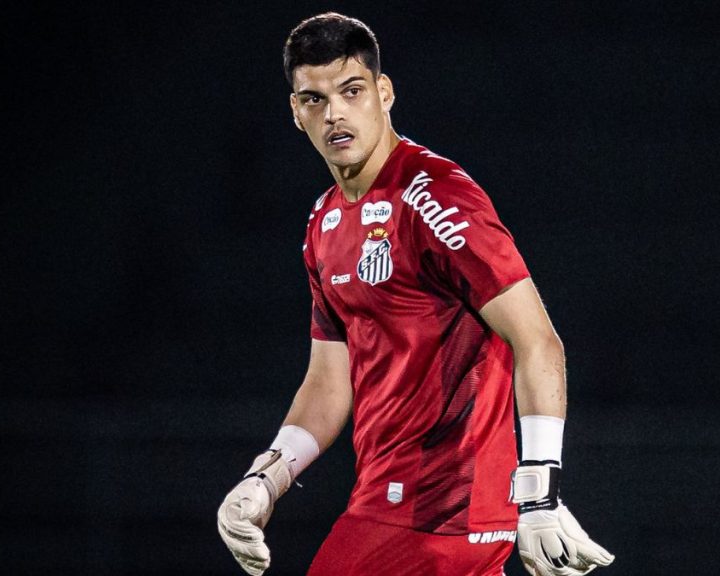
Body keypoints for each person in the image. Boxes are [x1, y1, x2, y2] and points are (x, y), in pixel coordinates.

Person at [217, 12, 614, 576]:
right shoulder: (324, 222)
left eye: (351, 91)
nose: (334, 114)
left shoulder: (437, 198)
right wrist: (268, 476)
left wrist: (539, 492)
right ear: (295, 113)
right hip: (394, 499)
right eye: (313, 99)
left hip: (439, 508)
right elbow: (330, 379)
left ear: (384, 92)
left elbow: (538, 342)